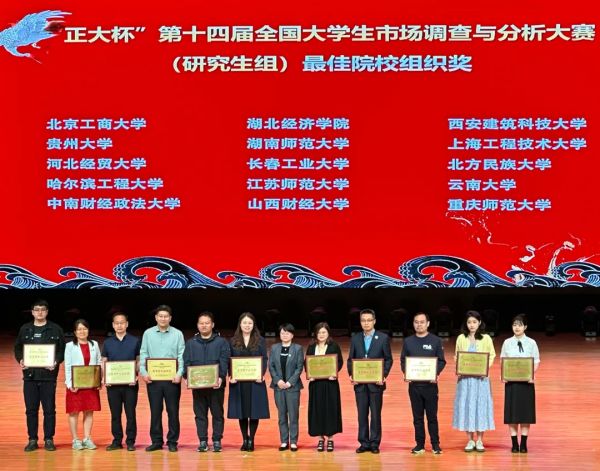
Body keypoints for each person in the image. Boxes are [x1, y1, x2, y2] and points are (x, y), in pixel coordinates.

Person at [14, 300, 65, 452]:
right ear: (32, 312)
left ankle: (49, 439)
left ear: (47, 312)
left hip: (48, 376)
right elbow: (18, 348)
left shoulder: (56, 329)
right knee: (31, 410)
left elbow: (62, 350)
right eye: (37, 310)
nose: (40, 312)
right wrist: (20, 359)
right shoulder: (25, 329)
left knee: (49, 410)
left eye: (43, 309)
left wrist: (56, 361)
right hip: (30, 377)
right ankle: (32, 439)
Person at [183, 311, 231, 452]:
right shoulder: (191, 343)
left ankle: (217, 440)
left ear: (212, 325)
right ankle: (202, 441)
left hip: (216, 386)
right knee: (200, 415)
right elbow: (186, 362)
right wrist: (187, 377)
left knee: (217, 414)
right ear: (197, 325)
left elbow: (224, 361)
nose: (204, 325)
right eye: (201, 323)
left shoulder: (221, 342)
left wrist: (221, 377)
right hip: (198, 387)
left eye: (207, 323)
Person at [139, 305, 185, 452]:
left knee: (173, 411)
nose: (163, 318)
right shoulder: (148, 333)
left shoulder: (178, 334)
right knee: (155, 411)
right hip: (153, 379)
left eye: (166, 316)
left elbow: (181, 355)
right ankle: (156, 441)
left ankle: (172, 441)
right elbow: (143, 353)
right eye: (160, 316)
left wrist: (180, 373)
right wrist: (143, 372)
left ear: (170, 318)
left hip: (172, 380)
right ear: (156, 318)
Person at [347, 308, 393, 454]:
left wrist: (383, 375)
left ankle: (374, 443)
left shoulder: (383, 338)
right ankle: (364, 442)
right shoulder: (355, 338)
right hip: (360, 384)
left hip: (376, 384)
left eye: (369, 320)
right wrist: (352, 375)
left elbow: (388, 359)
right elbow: (350, 360)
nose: (366, 323)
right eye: (363, 320)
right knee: (361, 415)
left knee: (375, 415)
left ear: (374, 321)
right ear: (360, 322)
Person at [400, 312, 446, 454]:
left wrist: (435, 373)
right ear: (413, 324)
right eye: (416, 322)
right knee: (417, 418)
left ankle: (435, 444)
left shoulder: (436, 341)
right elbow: (403, 360)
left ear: (428, 324)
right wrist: (406, 373)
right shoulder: (408, 341)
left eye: (422, 322)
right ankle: (419, 444)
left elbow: (441, 361)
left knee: (432, 417)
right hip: (414, 386)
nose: (419, 325)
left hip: (430, 386)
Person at [453, 310, 496, 452]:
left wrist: (485, 369)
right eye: (469, 322)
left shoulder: (486, 338)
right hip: (465, 380)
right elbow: (457, 356)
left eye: (474, 322)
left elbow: (492, 355)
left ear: (479, 323)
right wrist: (459, 367)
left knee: (480, 407)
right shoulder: (461, 338)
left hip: (481, 380)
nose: (472, 325)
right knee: (468, 407)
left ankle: (480, 440)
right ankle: (470, 440)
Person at [227, 312, 270, 452]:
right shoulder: (233, 341)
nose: (247, 325)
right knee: (242, 411)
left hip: (255, 381)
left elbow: (264, 359)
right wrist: (231, 375)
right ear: (240, 324)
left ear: (253, 325)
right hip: (239, 382)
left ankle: (252, 439)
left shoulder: (260, 340)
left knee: (254, 411)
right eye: (244, 323)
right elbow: (229, 360)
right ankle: (244, 438)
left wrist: (261, 374)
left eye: (250, 323)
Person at [500, 314, 540, 453]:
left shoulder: (532, 343)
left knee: (525, 414)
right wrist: (504, 375)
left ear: (525, 327)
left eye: (520, 325)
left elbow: (536, 361)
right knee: (512, 414)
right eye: (514, 325)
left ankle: (523, 443)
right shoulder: (507, 342)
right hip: (511, 383)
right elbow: (503, 360)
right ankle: (514, 444)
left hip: (526, 383)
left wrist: (530, 374)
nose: (517, 327)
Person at [101, 312, 141, 451]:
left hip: (130, 385)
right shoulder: (107, 343)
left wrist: (135, 374)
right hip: (113, 385)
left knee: (130, 414)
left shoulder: (135, 341)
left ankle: (130, 441)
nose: (119, 325)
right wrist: (105, 377)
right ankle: (117, 441)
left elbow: (138, 360)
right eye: (117, 323)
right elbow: (104, 361)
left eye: (122, 323)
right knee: (115, 414)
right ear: (113, 325)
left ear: (126, 324)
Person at [64, 319, 102, 450]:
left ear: (88, 330)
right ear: (75, 332)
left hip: (91, 384)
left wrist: (98, 380)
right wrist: (70, 384)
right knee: (73, 412)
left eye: (84, 329)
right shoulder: (69, 346)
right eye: (79, 329)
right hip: (76, 385)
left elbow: (98, 362)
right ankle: (75, 440)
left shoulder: (94, 344)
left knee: (89, 411)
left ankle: (87, 438)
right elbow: (68, 366)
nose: (82, 331)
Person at [306, 322, 343, 452]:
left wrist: (334, 372)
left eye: (324, 332)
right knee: (318, 410)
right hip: (316, 384)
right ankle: (320, 438)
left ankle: (331, 438)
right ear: (315, 334)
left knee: (330, 410)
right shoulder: (311, 347)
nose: (321, 335)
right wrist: (309, 374)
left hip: (330, 383)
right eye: (319, 332)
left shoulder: (334, 346)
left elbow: (339, 361)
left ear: (328, 333)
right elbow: (307, 362)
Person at [269, 323, 304, 451]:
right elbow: (271, 366)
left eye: (287, 333)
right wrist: (277, 380)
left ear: (292, 335)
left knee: (293, 415)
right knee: (281, 415)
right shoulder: (274, 348)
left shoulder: (298, 348)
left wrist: (290, 382)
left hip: (292, 387)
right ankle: (284, 441)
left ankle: (293, 441)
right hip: (278, 387)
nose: (284, 335)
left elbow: (299, 367)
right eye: (282, 333)